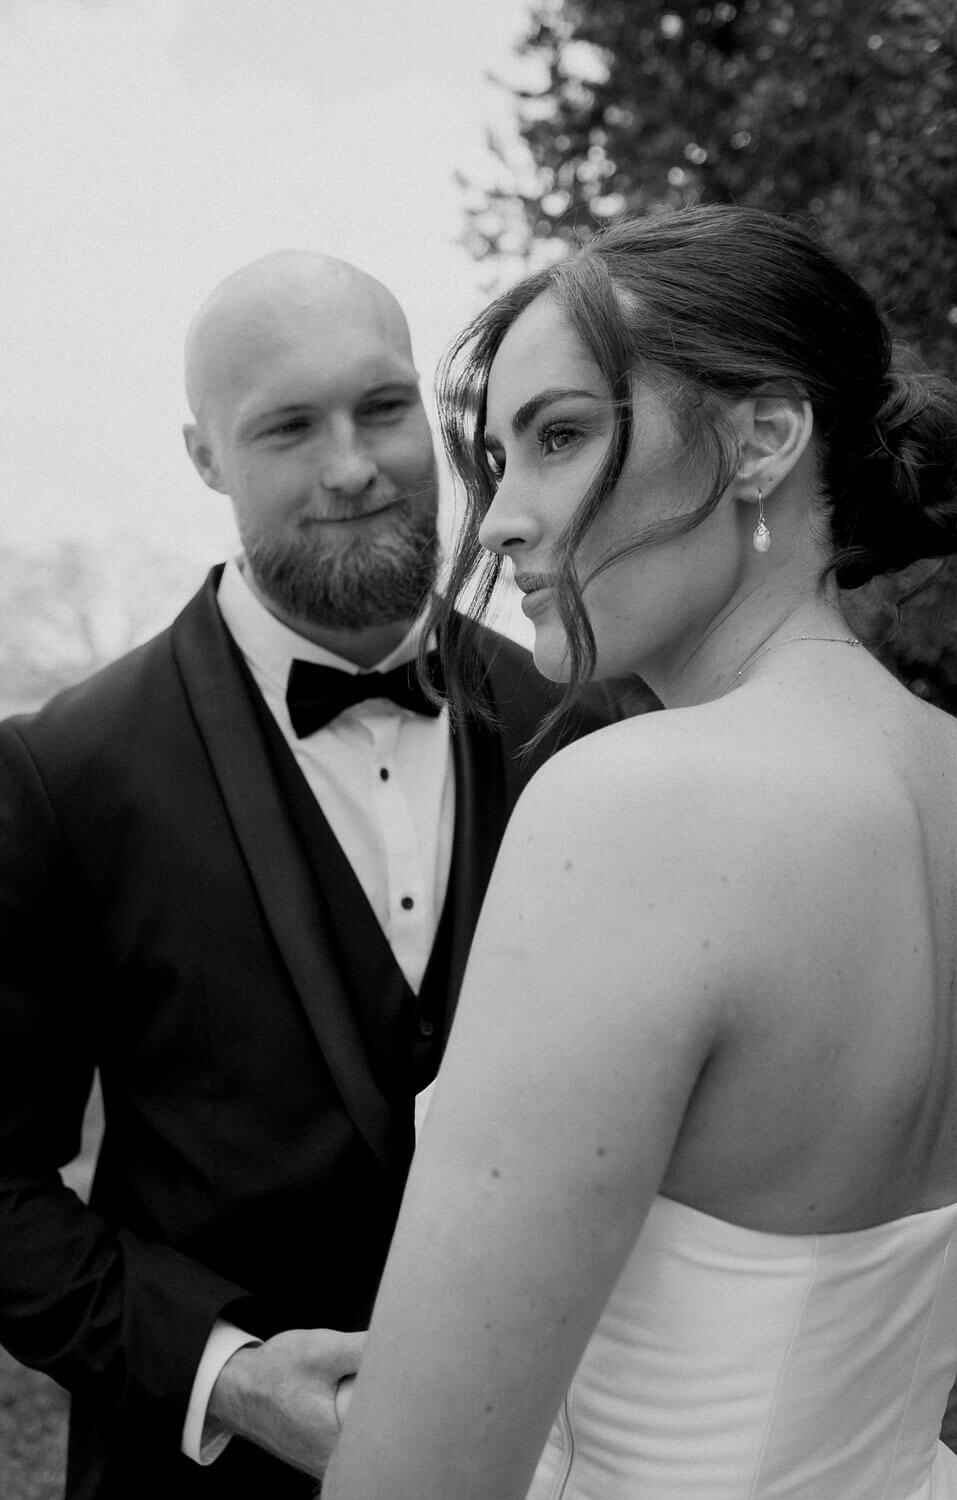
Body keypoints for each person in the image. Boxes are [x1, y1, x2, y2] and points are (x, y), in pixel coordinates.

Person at [321, 205, 957, 1500]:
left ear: (763, 439)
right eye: (498, 457)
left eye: (561, 437)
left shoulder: (631, 813)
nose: (505, 519)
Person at [0, 251, 623, 1500]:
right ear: (204, 457)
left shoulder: (586, 723)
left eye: (384, 409)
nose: (353, 468)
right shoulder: (61, 770)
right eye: (288, 426)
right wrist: (226, 1377)